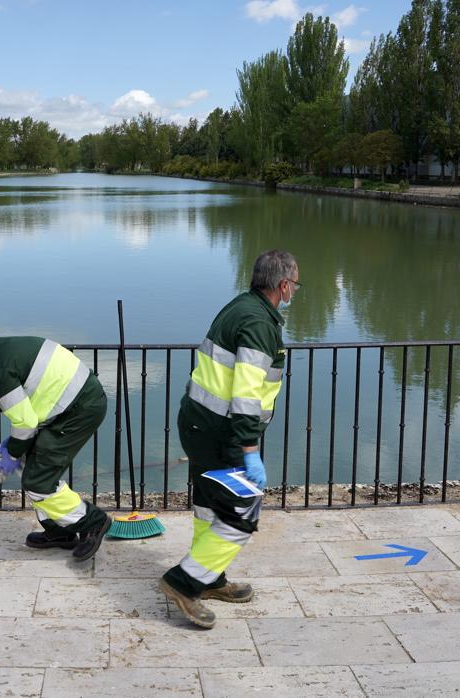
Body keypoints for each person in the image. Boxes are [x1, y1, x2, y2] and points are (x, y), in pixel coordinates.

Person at [159, 249, 297, 629]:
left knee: (209, 506)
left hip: (199, 425)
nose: (294, 292)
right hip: (222, 433)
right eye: (294, 285)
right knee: (242, 511)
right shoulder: (258, 324)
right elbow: (247, 394)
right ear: (283, 285)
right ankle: (183, 583)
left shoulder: (240, 306)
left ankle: (211, 577)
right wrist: (249, 450)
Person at [0, 327, 112, 561]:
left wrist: (9, 457)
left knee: (38, 480)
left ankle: (92, 521)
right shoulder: (6, 349)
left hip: (78, 410)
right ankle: (60, 533)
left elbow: (25, 424)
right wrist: (14, 451)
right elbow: (29, 408)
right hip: (71, 404)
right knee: (32, 469)